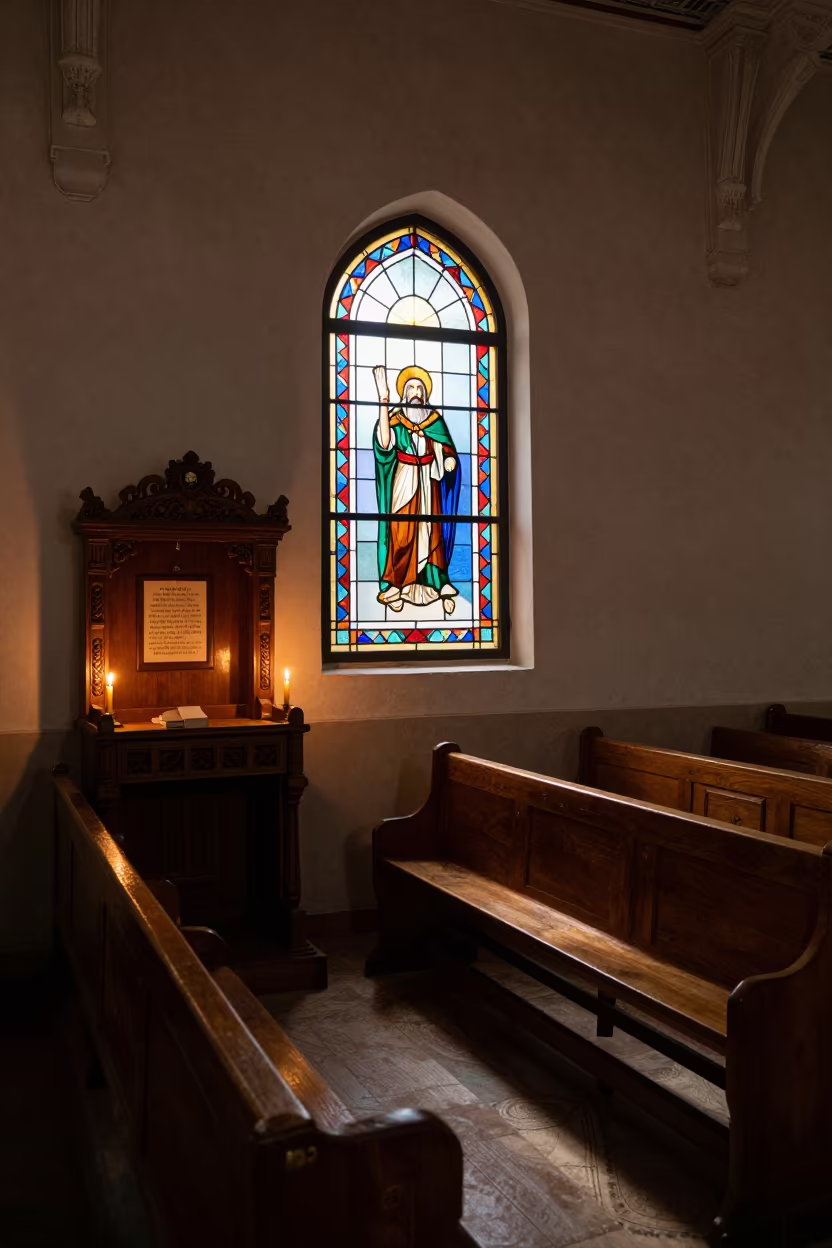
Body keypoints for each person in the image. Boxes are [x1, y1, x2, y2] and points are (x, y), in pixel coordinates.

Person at [372, 364, 460, 614]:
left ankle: (436, 583)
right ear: (404, 393)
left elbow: (446, 446)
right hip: (404, 480)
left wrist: (449, 459)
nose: (415, 391)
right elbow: (384, 443)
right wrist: (383, 399)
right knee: (401, 532)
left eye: (419, 387)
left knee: (430, 531)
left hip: (429, 481)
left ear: (425, 393)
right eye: (410, 387)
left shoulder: (434, 421)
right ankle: (395, 583)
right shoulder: (395, 420)